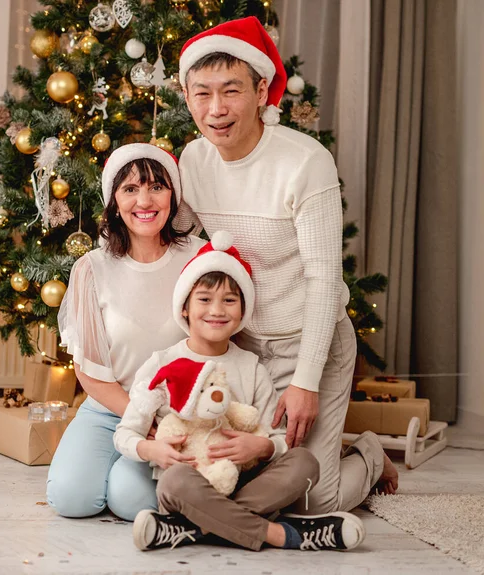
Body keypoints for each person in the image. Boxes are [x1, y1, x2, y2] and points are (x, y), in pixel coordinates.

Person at [174, 16, 398, 513]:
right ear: (186, 96)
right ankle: (327, 449)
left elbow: (324, 282)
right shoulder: (193, 160)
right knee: (233, 475)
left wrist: (305, 382)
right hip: (244, 349)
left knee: (313, 502)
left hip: (310, 341)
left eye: (230, 91)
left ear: (261, 90)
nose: (215, 110)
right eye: (201, 94)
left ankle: (368, 453)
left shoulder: (304, 161)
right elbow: (181, 244)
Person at [114, 231, 366, 552]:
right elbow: (125, 434)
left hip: (244, 481)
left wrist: (259, 447)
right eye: (204, 299)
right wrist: (153, 451)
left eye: (229, 300)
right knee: (174, 481)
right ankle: (284, 535)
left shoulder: (251, 366)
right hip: (190, 483)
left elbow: (278, 440)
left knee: (305, 463)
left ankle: (193, 529)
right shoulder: (163, 363)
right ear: (186, 308)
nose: (217, 310)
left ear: (242, 310)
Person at [47, 143, 205, 521]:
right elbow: (89, 371)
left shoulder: (199, 258)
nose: (144, 200)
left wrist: (161, 424)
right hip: (107, 410)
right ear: (114, 202)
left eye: (156, 187)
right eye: (130, 189)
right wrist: (140, 420)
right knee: (72, 499)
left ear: (174, 196)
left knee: (133, 501)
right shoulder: (92, 268)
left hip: (174, 415)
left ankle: (126, 473)